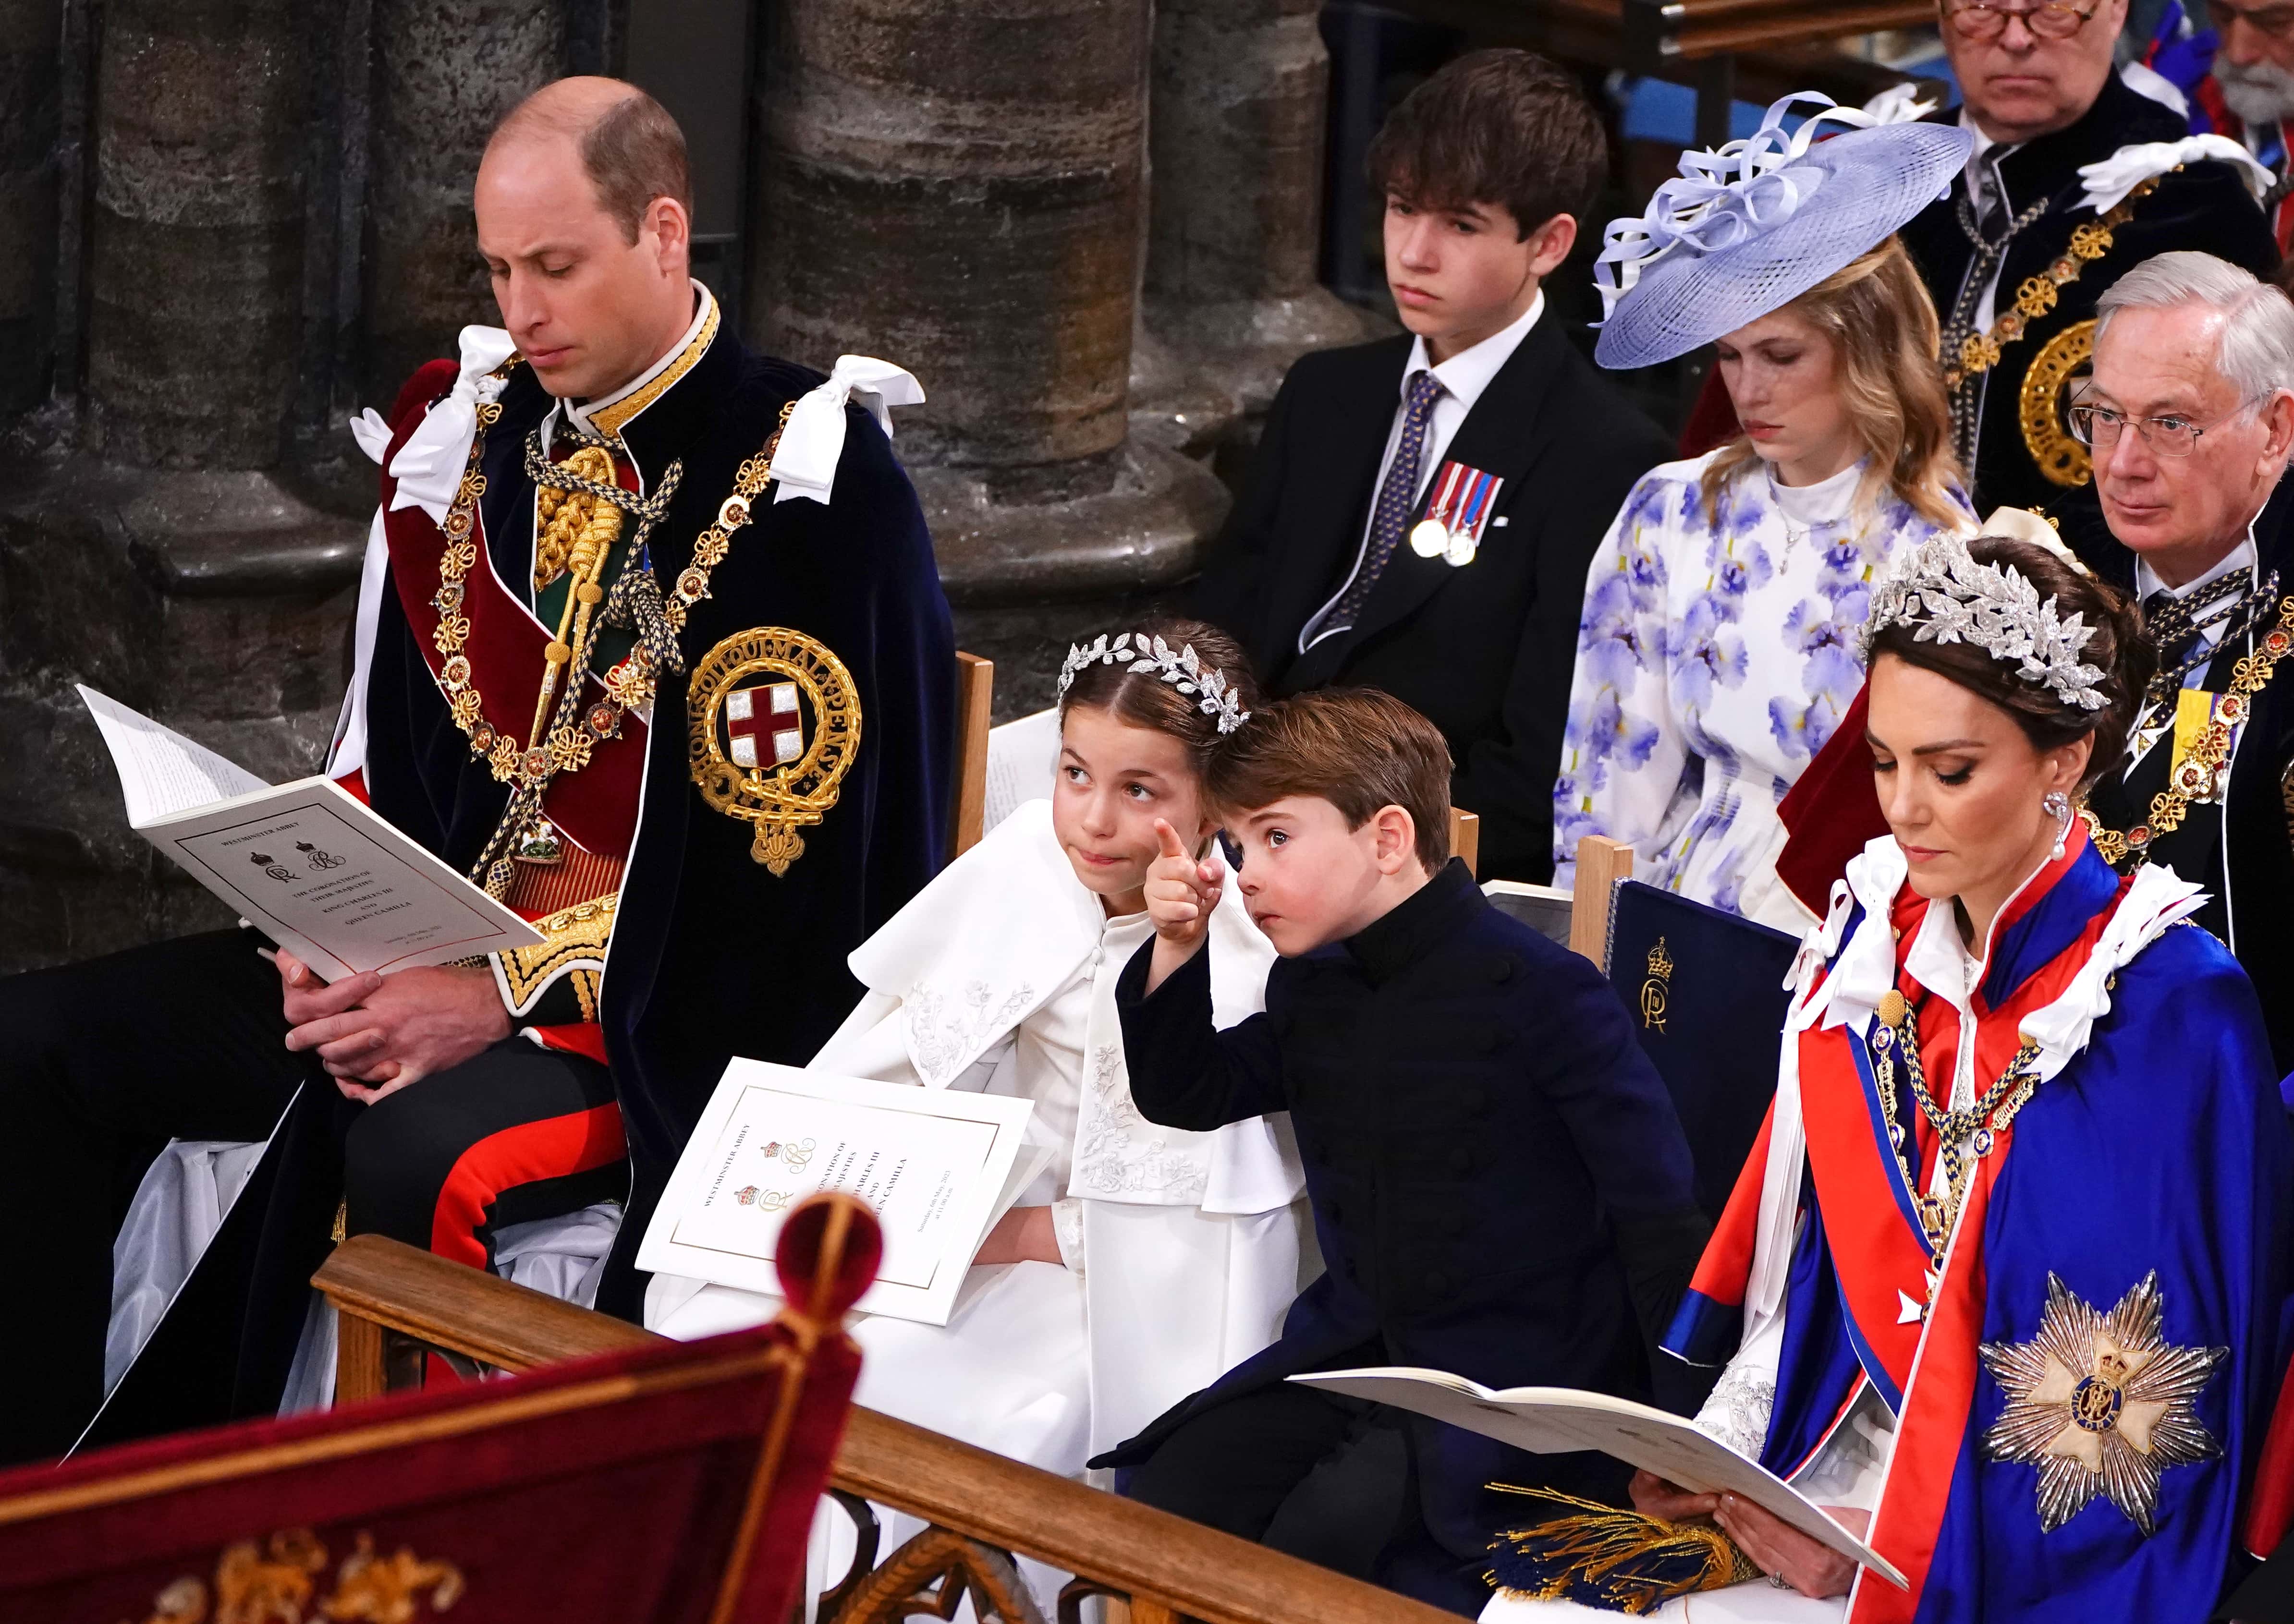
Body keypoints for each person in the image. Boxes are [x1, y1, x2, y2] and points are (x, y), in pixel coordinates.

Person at [0, 78, 954, 1462]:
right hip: (412, 951)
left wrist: (497, 995)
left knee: (412, 1144)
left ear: (666, 233)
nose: (523, 311)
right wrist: (318, 925)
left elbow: (784, 898)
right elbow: (398, 754)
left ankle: (409, 1557)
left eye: (556, 267)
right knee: (35, 1048)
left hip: (635, 1010)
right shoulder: (482, 427)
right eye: (501, 270)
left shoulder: (804, 480)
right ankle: (52, 1514)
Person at [1495, 534, 2293, 1621]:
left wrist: (1882, 1559)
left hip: (2008, 1555)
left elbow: (2133, 1422)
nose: (1902, 807)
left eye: (1949, 770)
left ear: (2065, 761)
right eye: (1881, 762)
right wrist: (1726, 1459)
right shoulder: (1876, 940)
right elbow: (1818, 1274)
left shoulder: (2164, 1008)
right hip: (1821, 1476)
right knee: (1540, 1602)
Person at [645, 619, 1308, 1608]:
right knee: (748, 1347)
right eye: (1075, 772)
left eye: (1139, 791)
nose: (1089, 820)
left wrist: (1024, 1232)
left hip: (1111, 1263)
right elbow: (895, 1054)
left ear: (1213, 800)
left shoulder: (1250, 943)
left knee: (944, 1407)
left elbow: (1213, 1203)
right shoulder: (1025, 863)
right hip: (970, 1193)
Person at [1098, 687, 1708, 1617]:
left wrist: (1678, 1441)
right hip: (1354, 1353)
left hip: (1517, 1387)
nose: (1245, 874)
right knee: (1170, 1496)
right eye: (1232, 844)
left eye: (1274, 837)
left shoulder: (1547, 991)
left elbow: (1659, 1220)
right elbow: (1191, 1092)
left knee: (1323, 1551)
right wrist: (1177, 945)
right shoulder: (1315, 980)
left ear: (1387, 838)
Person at [1190, 48, 1671, 885]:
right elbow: (1229, 614)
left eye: (1460, 225)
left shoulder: (1604, 456)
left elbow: (1534, 762)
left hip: (1403, 860)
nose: (1412, 252)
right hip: (1231, 804)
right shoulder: (1327, 390)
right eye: (1401, 208)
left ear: (1550, 243)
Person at [1551, 95, 1975, 930]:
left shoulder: (1941, 551)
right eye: (1731, 356)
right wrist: (1584, 950)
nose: (1747, 389)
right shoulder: (1671, 508)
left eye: (1781, 355)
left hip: (1857, 923)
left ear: (1867, 351)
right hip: (1673, 906)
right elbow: (1607, 776)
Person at [1898, 0, 2278, 516]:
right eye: (1982, 8)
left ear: (2116, 10)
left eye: (2051, 10)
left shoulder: (2192, 204)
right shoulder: (1888, 181)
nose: (2015, 39)